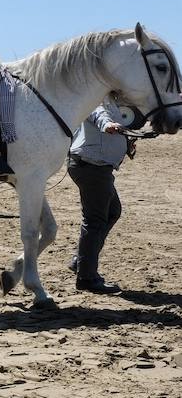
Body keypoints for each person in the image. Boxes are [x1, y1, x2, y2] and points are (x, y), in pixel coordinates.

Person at [66, 101, 131, 294]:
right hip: (91, 166)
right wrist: (106, 125)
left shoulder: (115, 100)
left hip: (98, 166)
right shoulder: (98, 98)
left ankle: (81, 260)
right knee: (95, 221)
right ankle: (86, 277)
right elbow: (97, 112)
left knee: (113, 211)